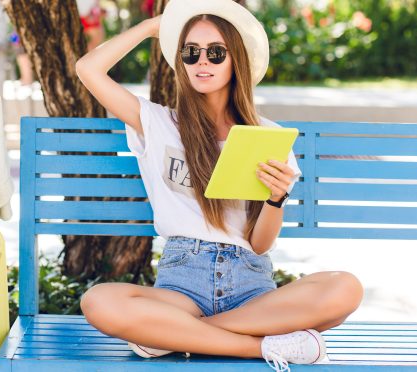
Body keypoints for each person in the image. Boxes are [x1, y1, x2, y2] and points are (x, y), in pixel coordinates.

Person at [75, 1, 363, 371]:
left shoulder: (267, 136)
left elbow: (260, 243)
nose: (202, 62)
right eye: (190, 53)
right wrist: (152, 27)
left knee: (345, 288)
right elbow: (88, 68)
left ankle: (171, 336)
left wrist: (276, 199)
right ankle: (261, 348)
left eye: (215, 52)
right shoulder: (159, 123)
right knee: (99, 301)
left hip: (251, 288)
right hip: (182, 286)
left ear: (235, 60)